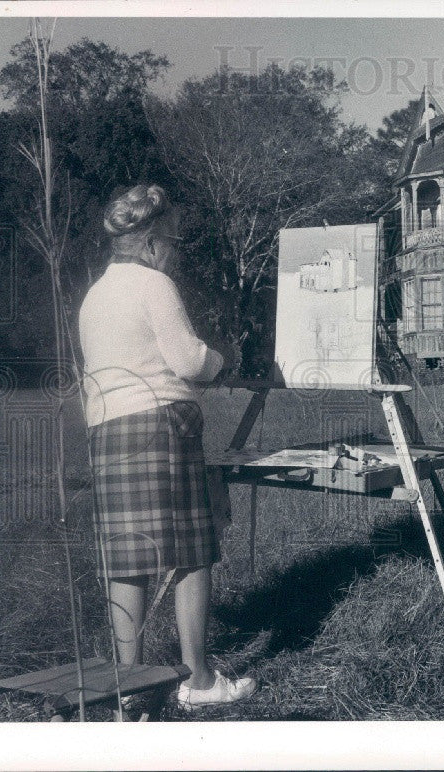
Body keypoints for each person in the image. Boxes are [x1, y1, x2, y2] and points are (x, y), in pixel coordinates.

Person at [78, 183, 256, 710]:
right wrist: (221, 358)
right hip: (162, 424)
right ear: (152, 243)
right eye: (174, 243)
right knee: (191, 553)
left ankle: (127, 687)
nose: (175, 254)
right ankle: (200, 682)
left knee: (128, 559)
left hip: (108, 429)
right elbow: (187, 360)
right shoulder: (154, 285)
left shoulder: (96, 294)